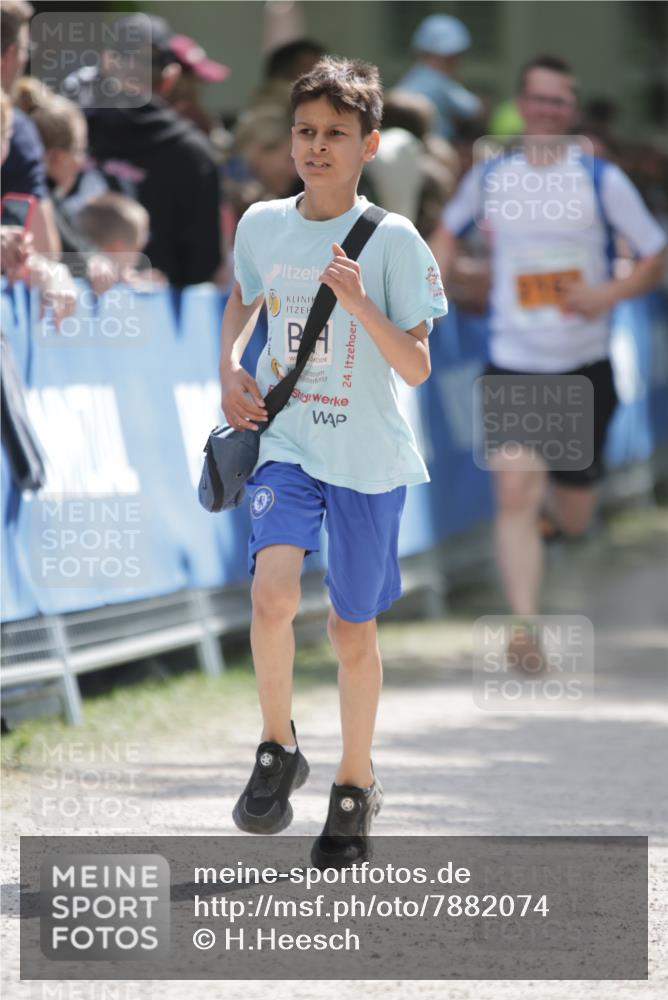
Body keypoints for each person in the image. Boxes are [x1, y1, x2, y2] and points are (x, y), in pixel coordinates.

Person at [218, 57, 447, 866]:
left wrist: (359, 305)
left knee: (352, 628)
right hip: (288, 443)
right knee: (272, 594)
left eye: (336, 136)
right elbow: (243, 298)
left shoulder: (393, 240)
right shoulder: (261, 224)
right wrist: (229, 367)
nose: (317, 148)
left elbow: (416, 366)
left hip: (367, 458)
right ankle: (277, 745)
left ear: (369, 145)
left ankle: (354, 783)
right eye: (306, 133)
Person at [437, 55, 667, 662]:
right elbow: (444, 231)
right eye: (537, 100)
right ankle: (523, 629)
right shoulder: (492, 178)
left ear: (572, 111)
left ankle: (554, 526)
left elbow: (654, 252)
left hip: (584, 369)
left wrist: (605, 294)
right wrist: (434, 278)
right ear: (521, 105)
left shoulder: (599, 180)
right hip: (514, 361)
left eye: (559, 101)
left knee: (573, 511)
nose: (546, 110)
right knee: (513, 493)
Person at [65, 14, 223, 287]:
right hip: (153, 314)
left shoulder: (69, 131)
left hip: (61, 304)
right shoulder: (194, 153)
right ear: (170, 77)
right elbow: (202, 262)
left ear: (106, 62)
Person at [0, 0, 61, 256]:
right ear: (12, 52)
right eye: (26, 48)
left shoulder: (20, 130)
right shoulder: (20, 131)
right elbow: (44, 248)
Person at [396, 14, 483, 142]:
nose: (456, 63)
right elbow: (474, 109)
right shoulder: (440, 83)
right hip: (432, 152)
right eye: (450, 58)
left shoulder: (408, 79)